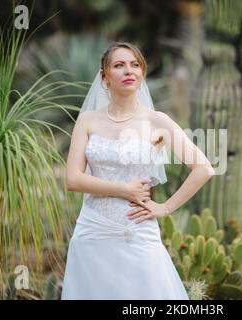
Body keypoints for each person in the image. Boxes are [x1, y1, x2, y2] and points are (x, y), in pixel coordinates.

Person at [61, 41, 215, 299]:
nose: (128, 70)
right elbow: (73, 179)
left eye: (135, 65)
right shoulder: (87, 121)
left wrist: (165, 207)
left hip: (137, 228)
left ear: (142, 73)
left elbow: (204, 168)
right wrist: (124, 189)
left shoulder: (157, 121)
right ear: (104, 76)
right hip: (92, 230)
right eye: (119, 65)